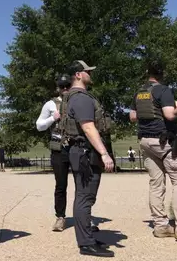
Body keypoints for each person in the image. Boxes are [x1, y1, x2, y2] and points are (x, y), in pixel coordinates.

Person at [129, 60, 177, 243]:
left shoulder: (139, 93)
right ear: (162, 74)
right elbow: (169, 114)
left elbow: (132, 117)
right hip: (163, 142)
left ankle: (160, 226)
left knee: (156, 184)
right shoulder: (164, 91)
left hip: (145, 142)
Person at [58, 60, 115, 257]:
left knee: (86, 196)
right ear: (78, 75)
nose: (90, 73)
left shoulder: (74, 97)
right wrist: (104, 153)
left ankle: (87, 237)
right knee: (84, 196)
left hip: (81, 151)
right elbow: (88, 127)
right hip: (85, 152)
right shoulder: (81, 98)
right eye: (87, 71)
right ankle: (86, 243)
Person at [36, 74, 73, 232]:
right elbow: (39, 125)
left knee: (82, 184)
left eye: (67, 86)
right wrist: (53, 119)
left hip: (77, 147)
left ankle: (85, 216)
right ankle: (60, 217)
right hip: (59, 149)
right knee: (61, 185)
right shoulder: (50, 104)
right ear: (58, 88)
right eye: (62, 86)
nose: (65, 89)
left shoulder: (77, 101)